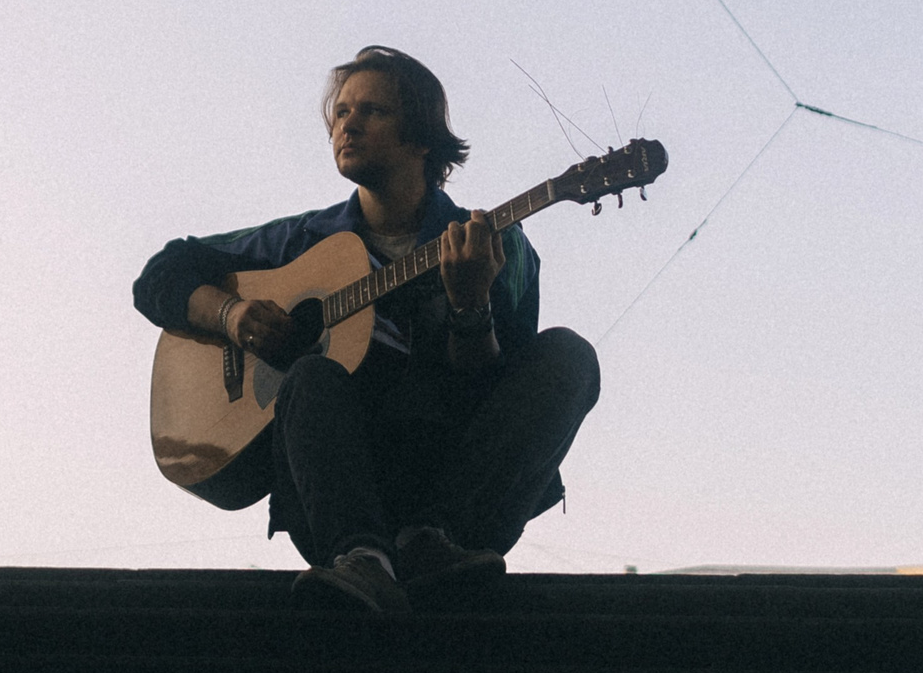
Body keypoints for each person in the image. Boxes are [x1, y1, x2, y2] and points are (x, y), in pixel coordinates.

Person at [133, 47, 602, 614]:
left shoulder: (497, 248)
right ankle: (364, 560)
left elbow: (501, 402)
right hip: (332, 508)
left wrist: (470, 302)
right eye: (342, 111)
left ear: (421, 140)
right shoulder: (304, 241)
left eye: (372, 111)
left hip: (461, 508)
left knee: (569, 356)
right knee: (309, 374)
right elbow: (161, 275)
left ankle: (432, 542)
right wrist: (232, 316)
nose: (346, 124)